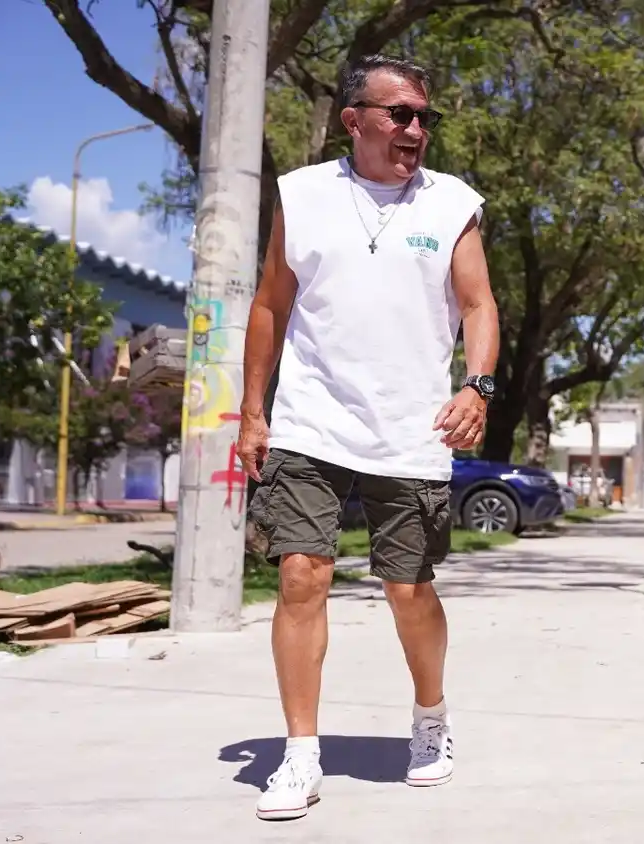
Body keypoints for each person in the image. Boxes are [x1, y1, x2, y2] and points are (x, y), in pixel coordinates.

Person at [235, 53, 500, 821]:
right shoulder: (303, 195)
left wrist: (477, 385)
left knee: (408, 588)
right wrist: (252, 410)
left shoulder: (452, 204)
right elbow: (270, 305)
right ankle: (300, 752)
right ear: (354, 120)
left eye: (424, 117)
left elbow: (479, 306)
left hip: (411, 427)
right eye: (400, 114)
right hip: (312, 420)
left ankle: (430, 717)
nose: (416, 129)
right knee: (300, 575)